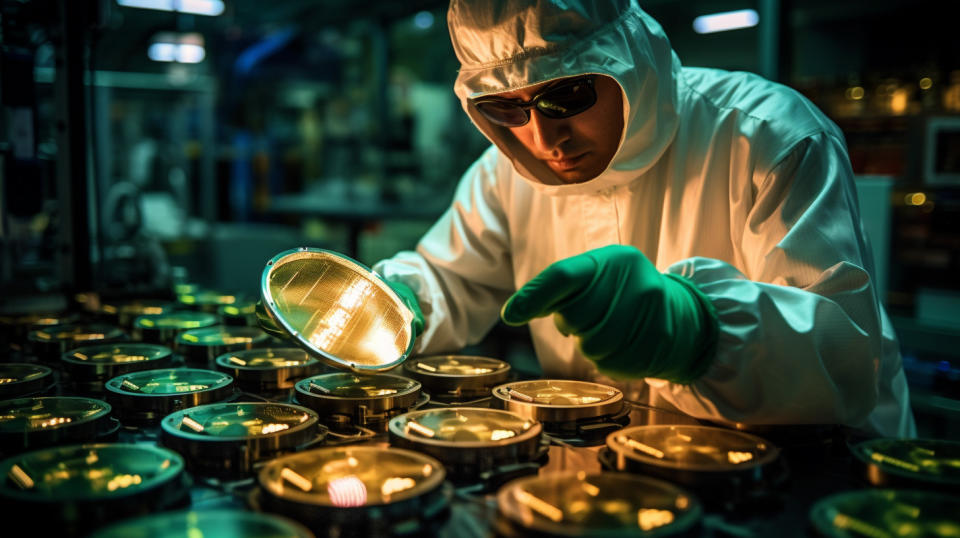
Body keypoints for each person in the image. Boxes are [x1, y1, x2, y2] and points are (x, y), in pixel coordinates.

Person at [371, 0, 915, 438]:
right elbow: (453, 277)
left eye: (567, 95)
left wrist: (702, 333)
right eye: (505, 108)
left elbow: (848, 356)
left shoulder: (767, 135)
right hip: (617, 460)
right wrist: (396, 305)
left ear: (628, 62)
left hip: (806, 466)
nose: (542, 138)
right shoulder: (504, 173)